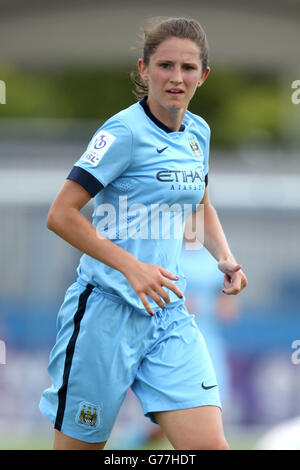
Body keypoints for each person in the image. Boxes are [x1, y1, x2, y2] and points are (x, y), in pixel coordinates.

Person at [39, 17, 248, 450]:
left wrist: (224, 256)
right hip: (105, 315)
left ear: (203, 76)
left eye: (188, 68)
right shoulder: (122, 133)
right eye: (165, 65)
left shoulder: (199, 134)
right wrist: (131, 268)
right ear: (143, 69)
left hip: (169, 318)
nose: (176, 77)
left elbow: (200, 204)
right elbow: (61, 214)